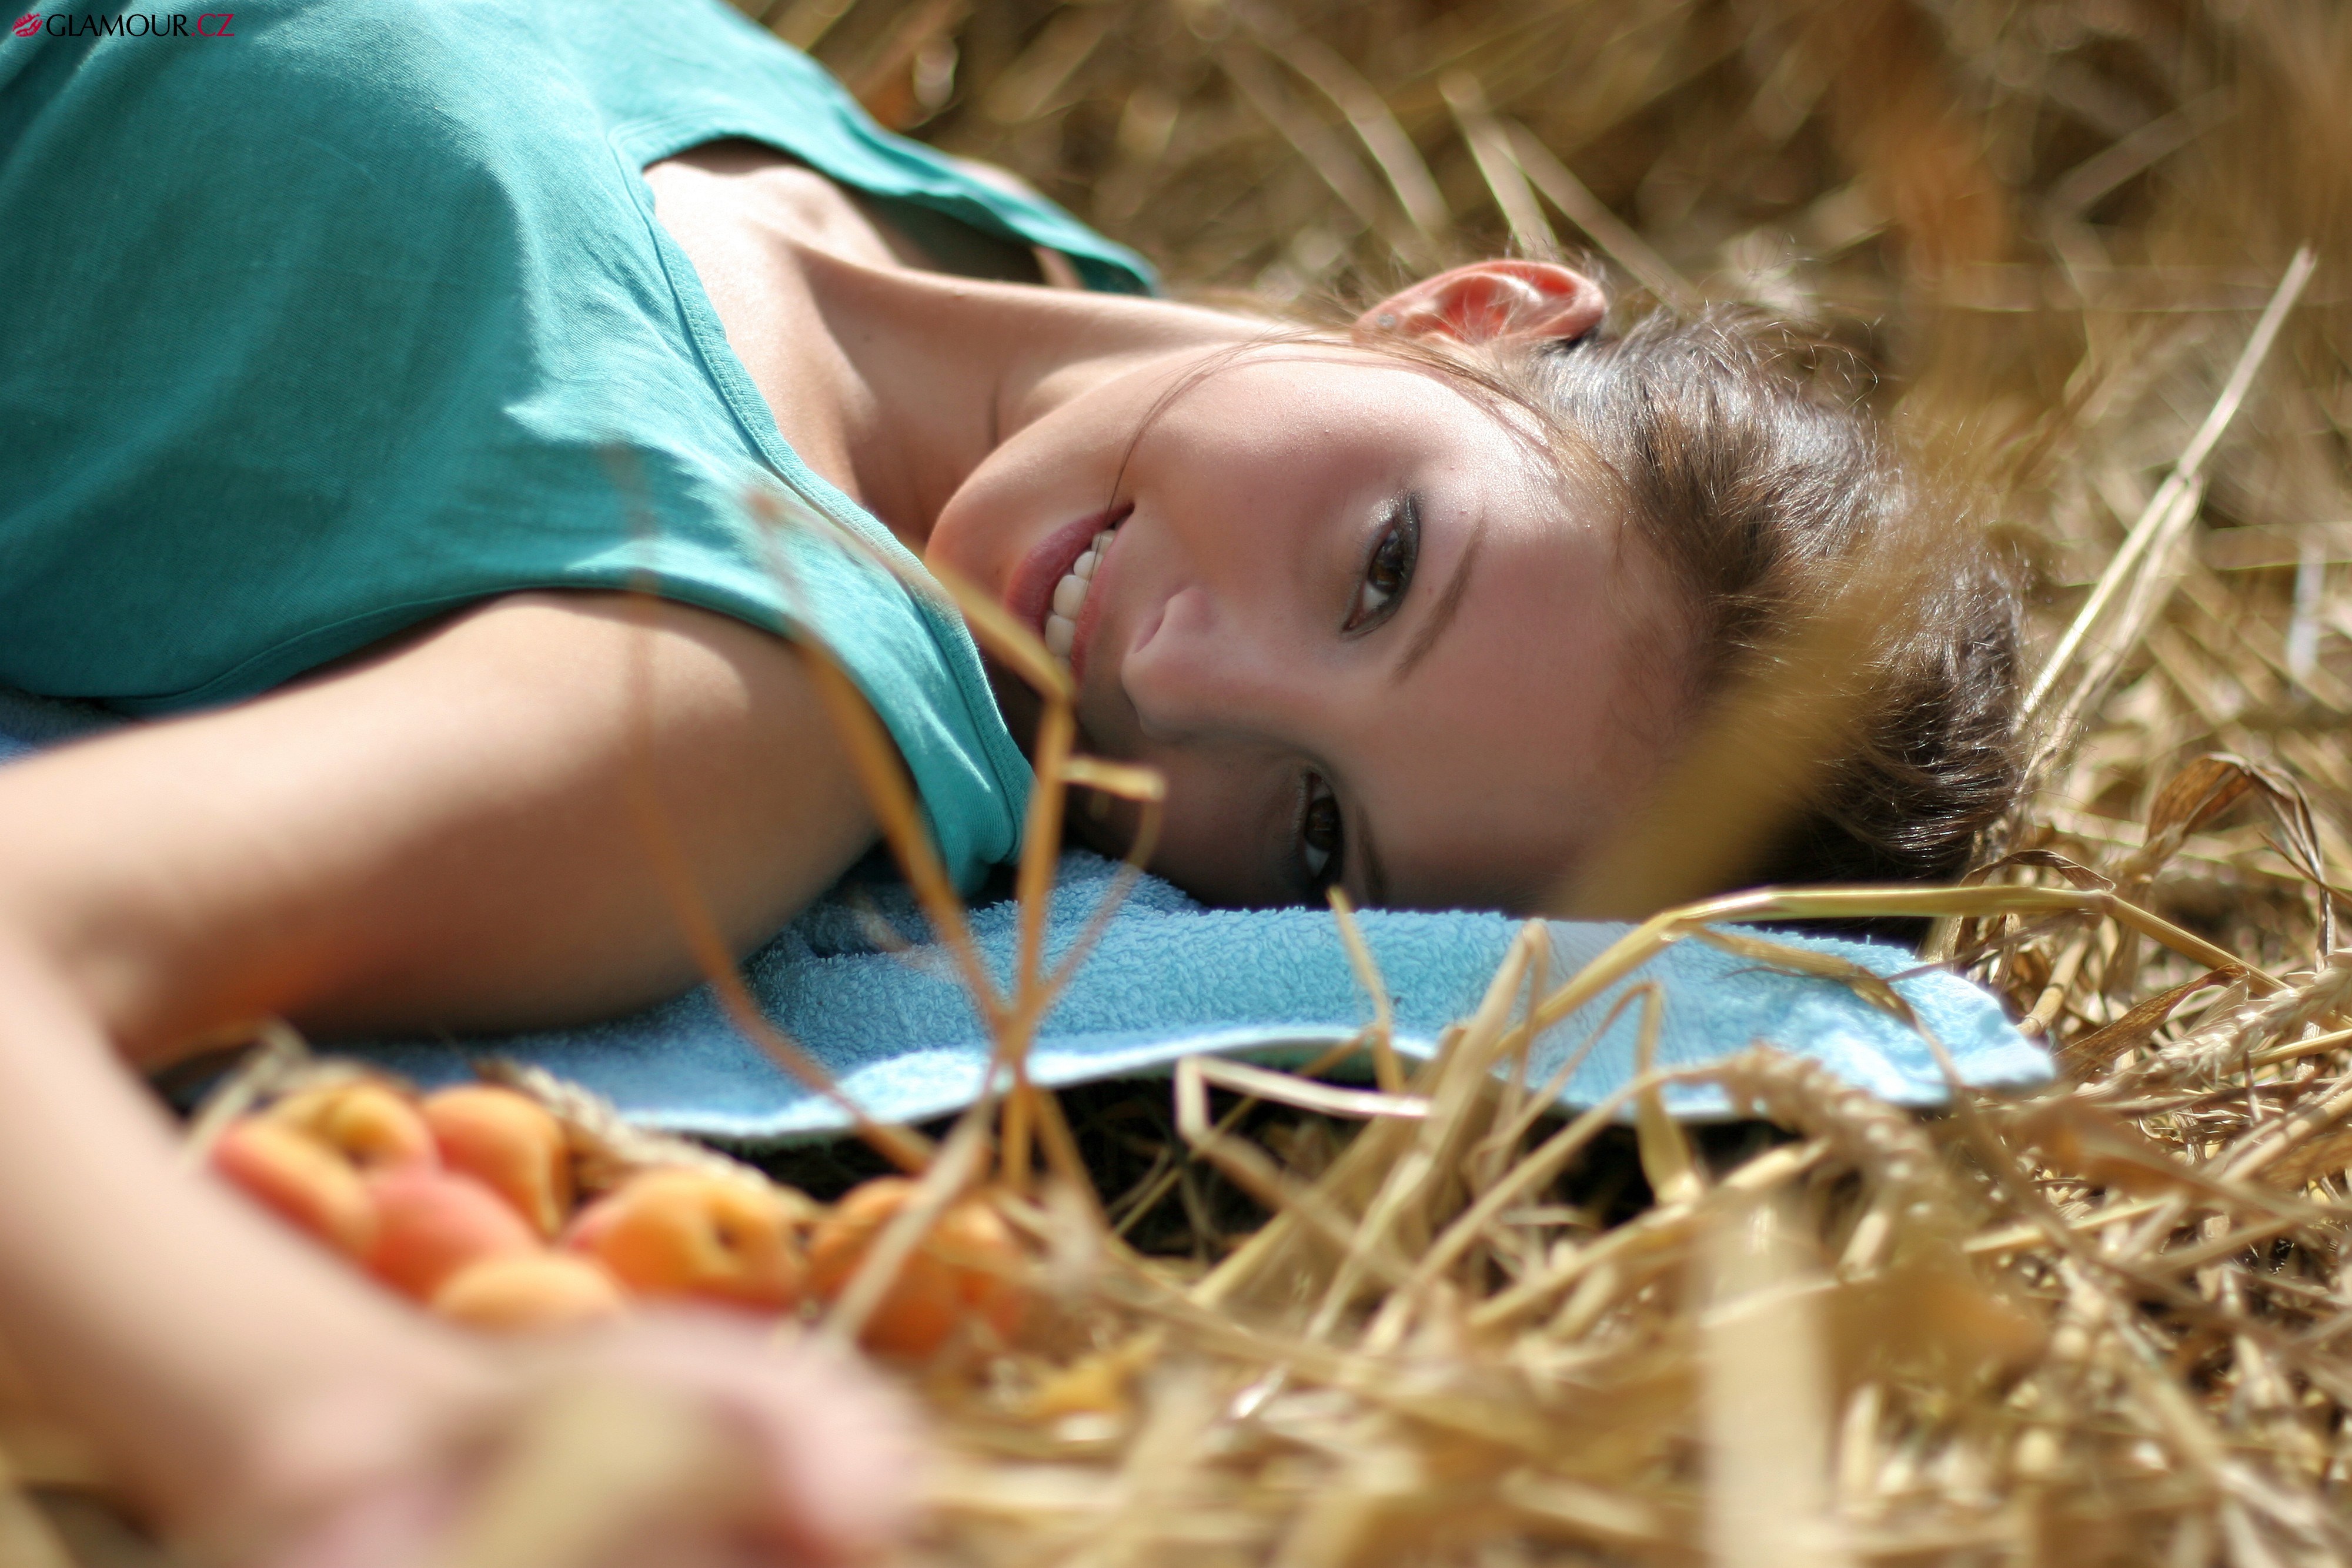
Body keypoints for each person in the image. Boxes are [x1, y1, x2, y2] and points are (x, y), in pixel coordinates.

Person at [0, 0, 2022, 1559]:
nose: (1185, 672)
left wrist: (314, 1422)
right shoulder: (961, 224)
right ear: (1467, 315)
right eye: (1383, 566)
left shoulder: (737, 700)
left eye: (1316, 828)